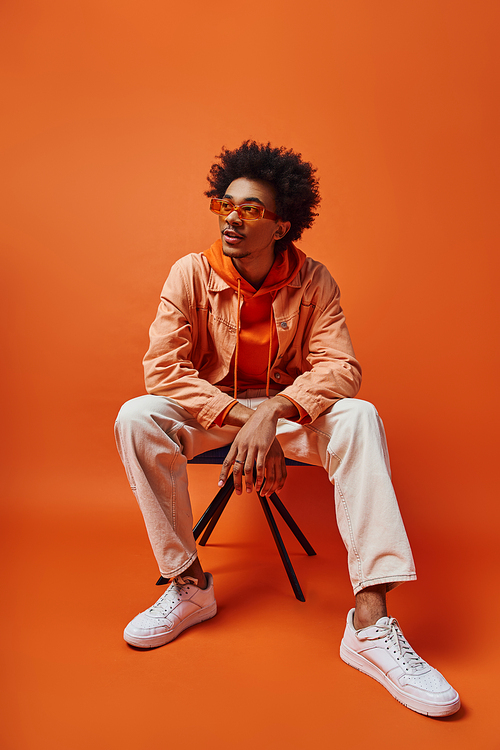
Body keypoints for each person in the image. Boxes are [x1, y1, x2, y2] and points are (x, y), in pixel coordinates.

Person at [115, 141, 460, 717]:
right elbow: (164, 370)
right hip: (215, 417)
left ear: (281, 225)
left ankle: (370, 625)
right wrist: (251, 423)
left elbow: (341, 368)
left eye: (250, 209)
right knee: (137, 415)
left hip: (288, 415)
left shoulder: (315, 282)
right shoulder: (191, 274)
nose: (232, 216)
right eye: (226, 203)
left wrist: (275, 415)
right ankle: (188, 585)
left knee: (359, 414)